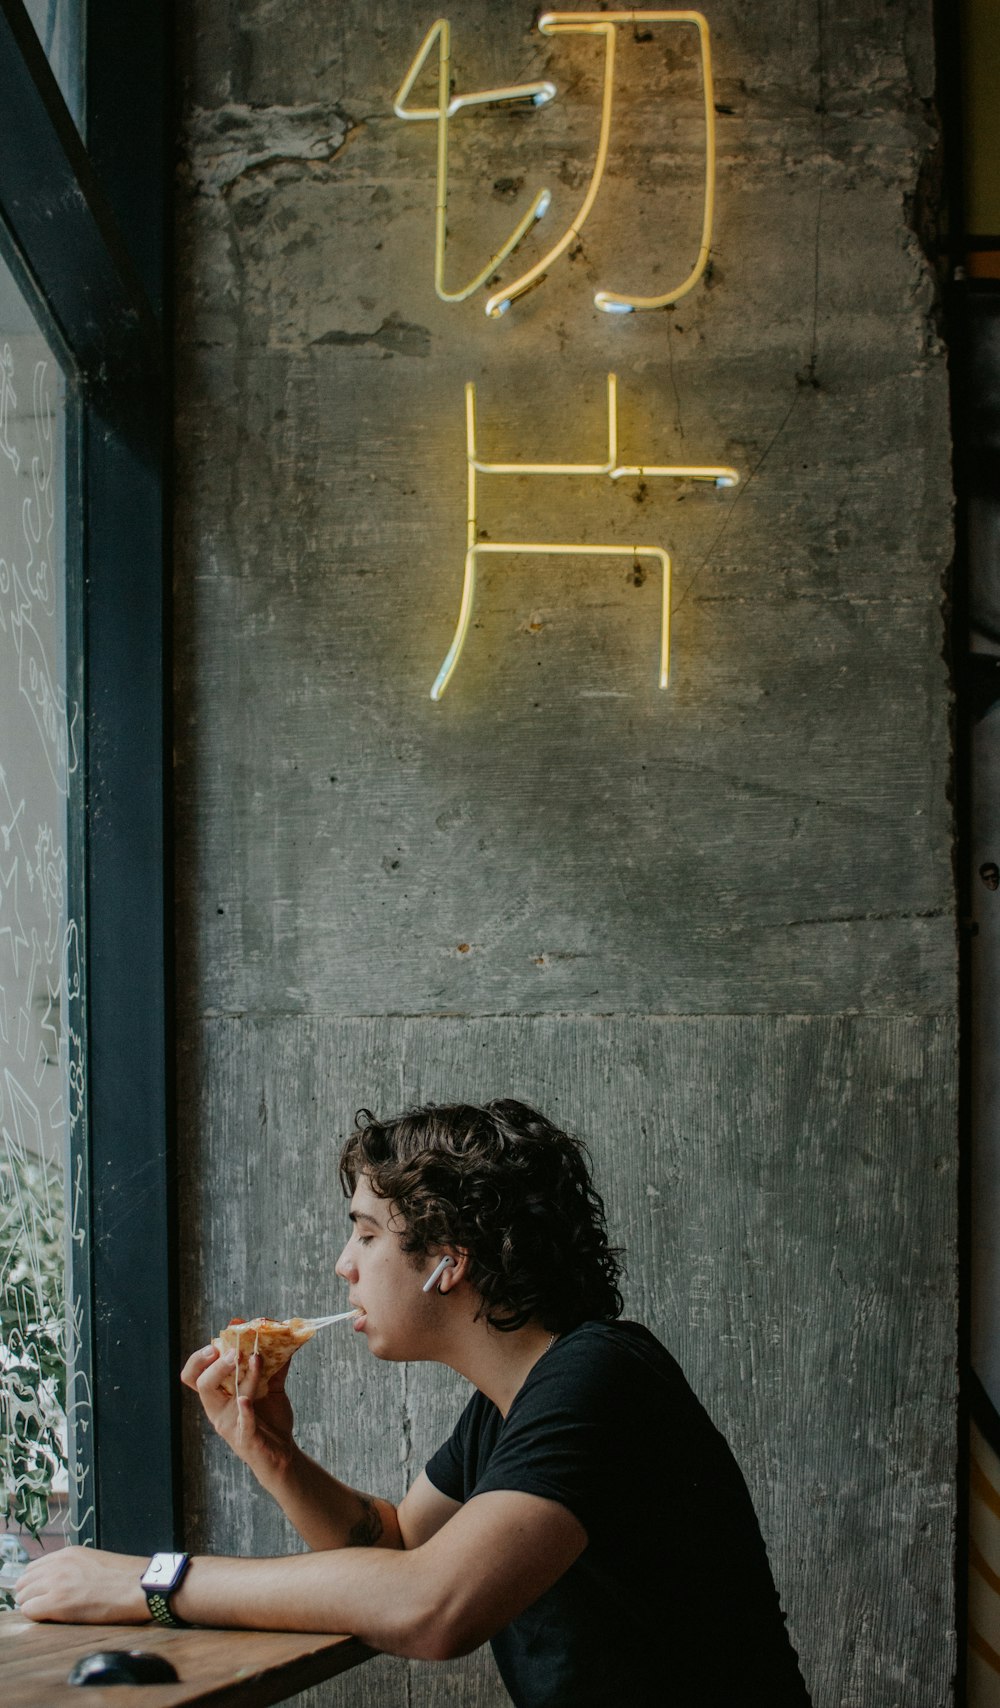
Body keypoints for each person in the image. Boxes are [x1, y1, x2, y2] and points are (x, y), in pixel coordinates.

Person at [16, 1098, 811, 1706]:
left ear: (449, 1260)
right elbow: (398, 1548)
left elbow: (434, 1606)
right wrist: (272, 1452)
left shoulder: (602, 1375)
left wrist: (152, 1584)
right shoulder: (511, 1406)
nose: (342, 1265)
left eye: (365, 1234)